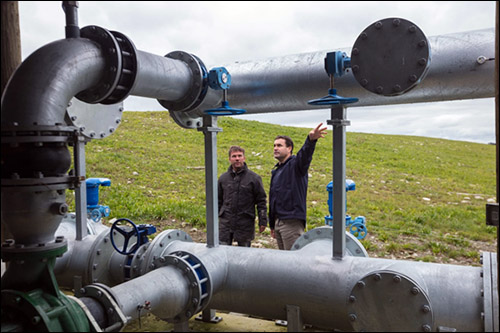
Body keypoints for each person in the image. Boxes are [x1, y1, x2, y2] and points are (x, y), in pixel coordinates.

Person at [269, 123, 328, 250]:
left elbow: (305, 155)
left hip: (291, 223)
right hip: (278, 222)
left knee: (293, 261)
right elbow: (273, 198)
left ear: (289, 148)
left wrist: (311, 140)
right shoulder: (277, 171)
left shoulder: (296, 166)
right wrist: (272, 224)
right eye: (274, 145)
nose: (275, 148)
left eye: (279, 145)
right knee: (284, 261)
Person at [218, 145, 268, 247]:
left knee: (244, 255)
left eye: (240, 156)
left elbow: (261, 201)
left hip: (245, 223)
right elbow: (218, 200)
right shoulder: (223, 179)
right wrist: (215, 219)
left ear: (244, 158)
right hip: (225, 224)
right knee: (221, 251)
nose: (237, 158)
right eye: (234, 156)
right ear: (229, 159)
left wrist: (263, 220)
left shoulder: (254, 178)